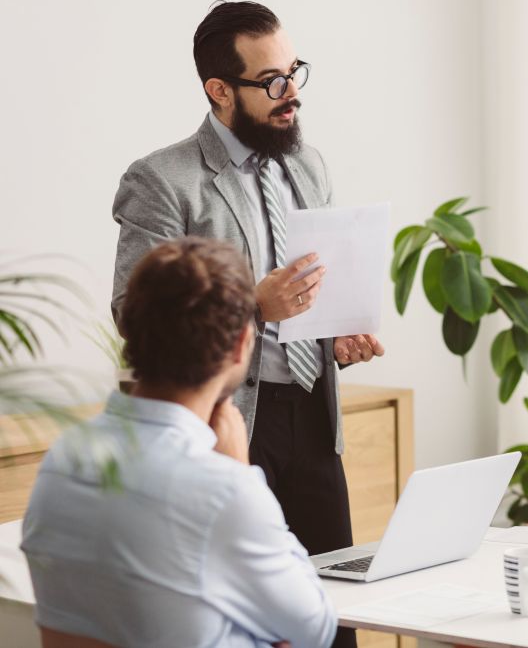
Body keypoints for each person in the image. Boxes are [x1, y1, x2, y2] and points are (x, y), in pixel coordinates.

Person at [110, 1, 383, 559]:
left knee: (334, 615)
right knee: (244, 608)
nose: (292, 93)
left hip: (314, 417)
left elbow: (313, 288)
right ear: (219, 90)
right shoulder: (162, 180)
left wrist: (336, 339)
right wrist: (251, 306)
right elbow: (133, 313)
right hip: (226, 422)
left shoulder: (309, 164)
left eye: (294, 72)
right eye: (271, 82)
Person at [22, 238, 337, 648]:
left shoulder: (64, 456)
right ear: (242, 343)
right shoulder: (225, 489)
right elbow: (315, 629)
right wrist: (239, 468)